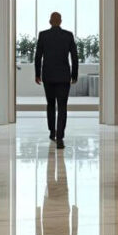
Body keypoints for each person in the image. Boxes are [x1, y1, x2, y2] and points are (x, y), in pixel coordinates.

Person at [34, 11, 78, 149]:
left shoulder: (43, 35)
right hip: (64, 76)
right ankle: (60, 138)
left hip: (48, 76)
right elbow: (74, 57)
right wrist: (74, 75)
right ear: (60, 21)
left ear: (50, 21)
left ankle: (52, 132)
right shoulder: (68, 35)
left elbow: (38, 56)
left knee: (51, 105)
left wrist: (37, 74)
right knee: (63, 106)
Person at [35, 147, 77, 235]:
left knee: (62, 176)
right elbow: (38, 232)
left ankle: (59, 152)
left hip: (63, 208)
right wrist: (37, 212)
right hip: (49, 210)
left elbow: (75, 231)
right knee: (50, 176)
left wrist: (75, 213)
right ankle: (53, 152)